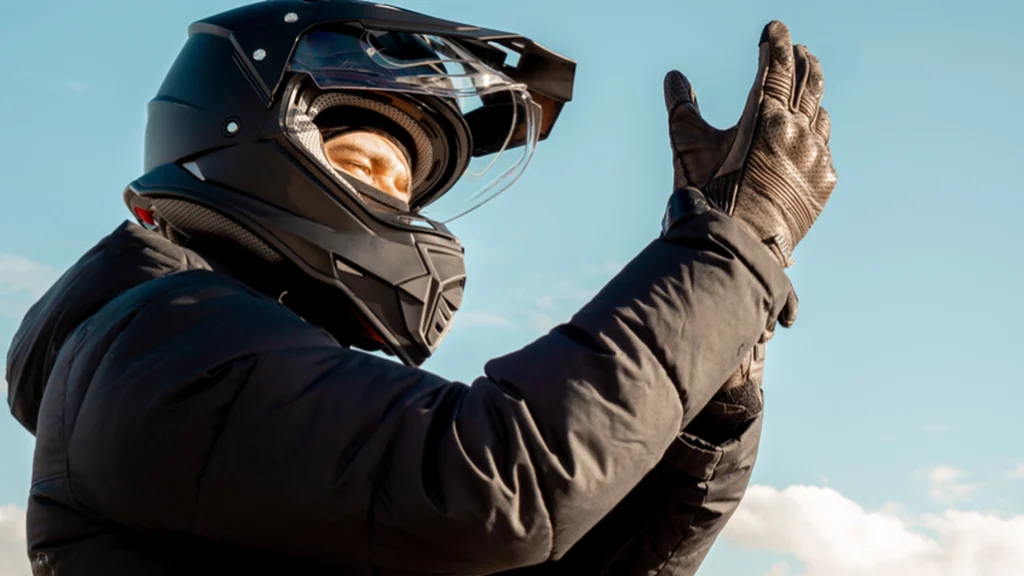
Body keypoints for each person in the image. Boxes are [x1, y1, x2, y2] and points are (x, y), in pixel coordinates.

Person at [5, 0, 837, 573]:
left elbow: (535, 552)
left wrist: (709, 409)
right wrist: (728, 251)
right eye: (364, 162)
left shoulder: (221, 364)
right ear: (246, 136)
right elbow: (491, 484)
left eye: (404, 186)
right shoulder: (162, 343)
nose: (389, 204)